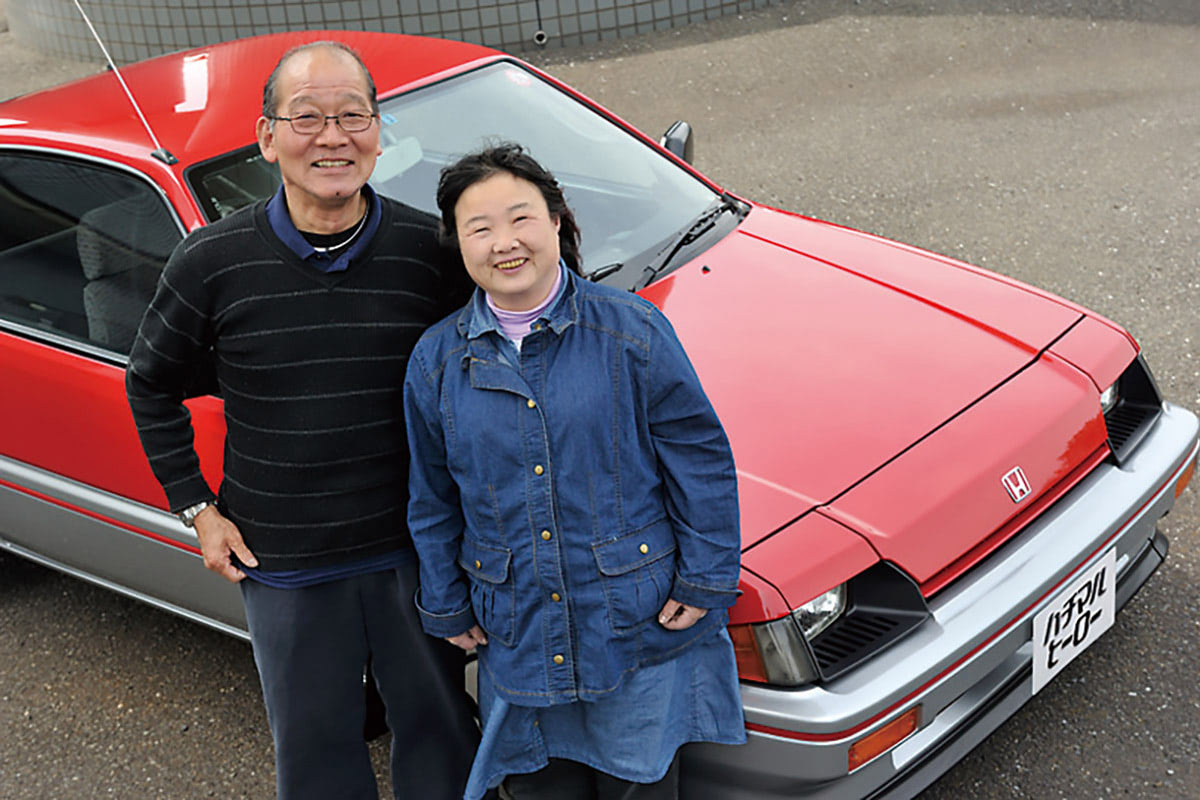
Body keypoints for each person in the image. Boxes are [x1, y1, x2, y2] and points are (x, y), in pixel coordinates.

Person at [125, 41, 477, 800]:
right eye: (307, 117)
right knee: (315, 750)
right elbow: (150, 384)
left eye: (353, 116)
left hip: (414, 549)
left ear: (378, 132)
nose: (332, 137)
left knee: (442, 731)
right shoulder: (209, 264)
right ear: (266, 138)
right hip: (283, 559)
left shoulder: (431, 252)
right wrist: (197, 509)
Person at [404, 143, 746, 799]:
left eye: (521, 219)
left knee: (640, 783)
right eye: (480, 228)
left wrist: (706, 577)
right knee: (537, 785)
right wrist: (446, 601)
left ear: (558, 221)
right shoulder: (437, 362)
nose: (504, 243)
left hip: (632, 617)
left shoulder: (632, 333)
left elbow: (699, 461)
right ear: (459, 244)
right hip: (519, 625)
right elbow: (433, 497)